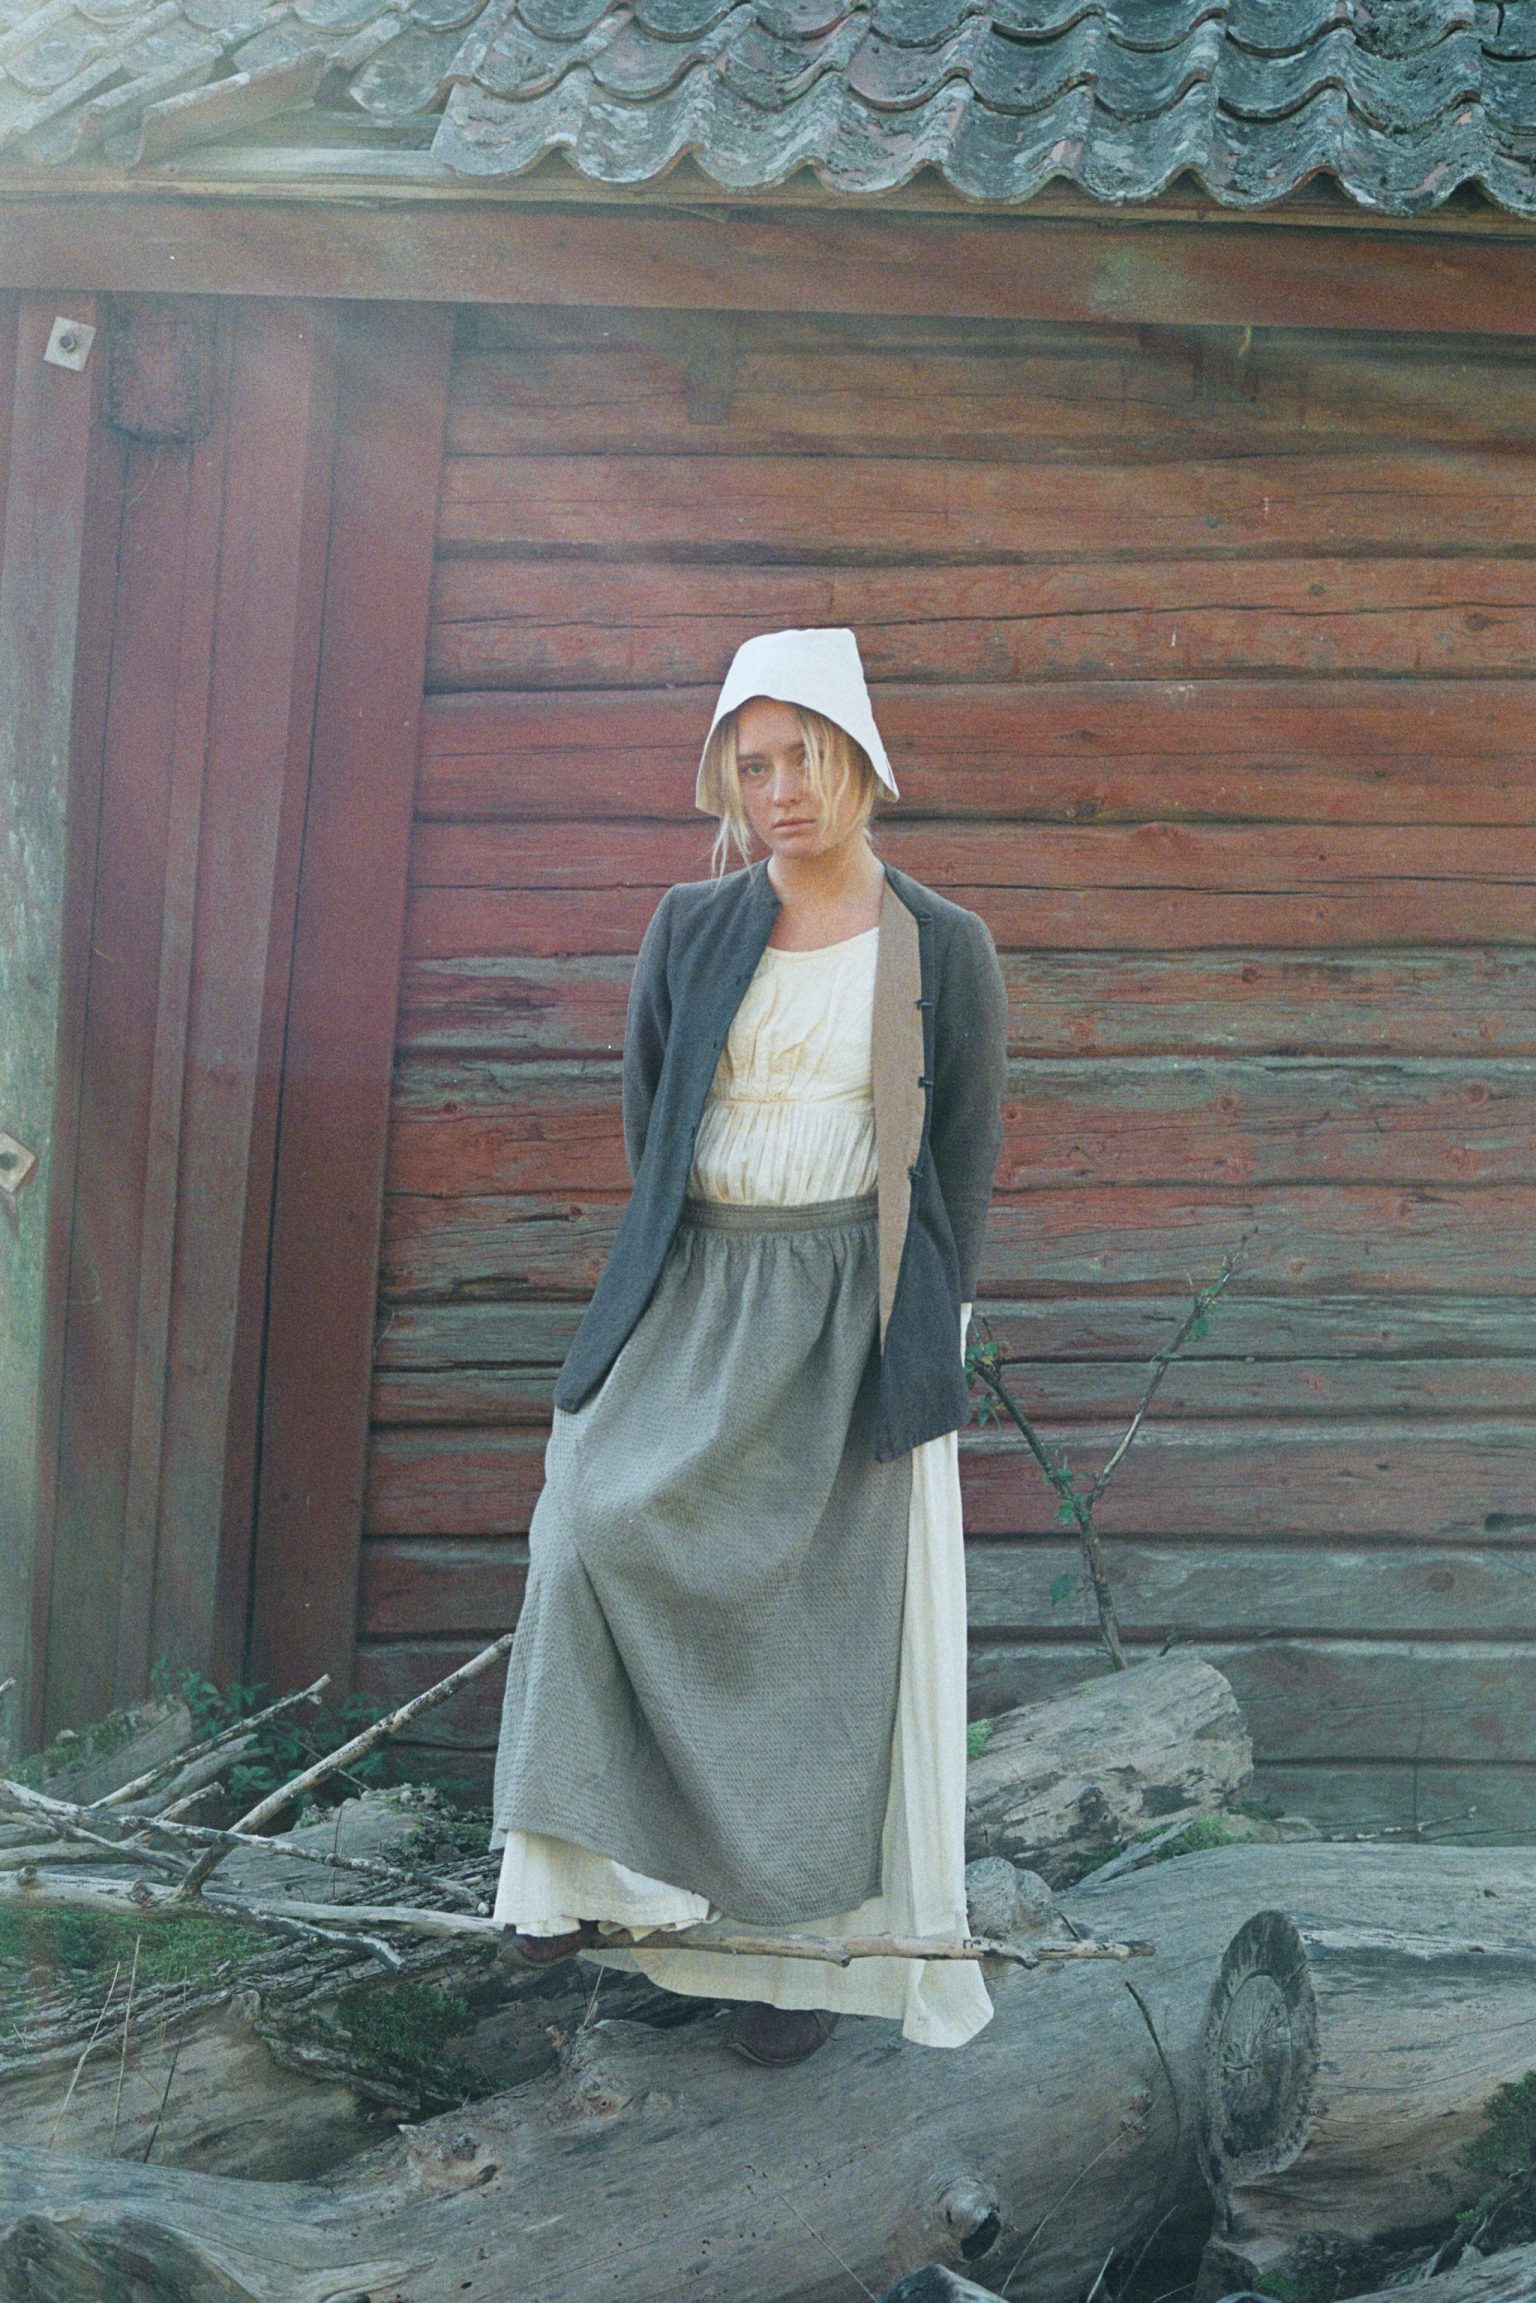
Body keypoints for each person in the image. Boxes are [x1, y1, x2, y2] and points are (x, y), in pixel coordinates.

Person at [489, 626, 1009, 2063]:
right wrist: (683, 1276)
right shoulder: (691, 926)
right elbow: (652, 1121)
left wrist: (917, 1350)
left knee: (815, 1632)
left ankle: (803, 1969)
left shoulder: (942, 946)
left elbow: (960, 1164)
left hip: (856, 1309)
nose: (784, 789)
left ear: (863, 765)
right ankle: (608, 1894)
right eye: (757, 762)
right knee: (591, 1524)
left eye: (810, 759)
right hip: (699, 1288)